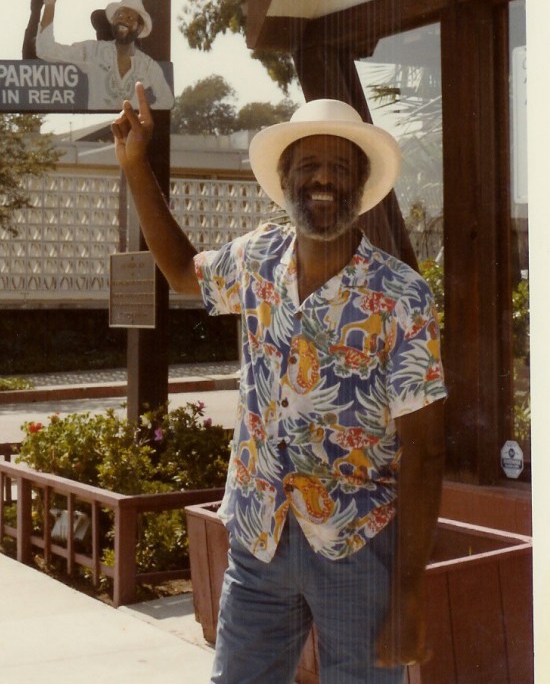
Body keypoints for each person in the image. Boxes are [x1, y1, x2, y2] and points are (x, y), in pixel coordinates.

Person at [112, 85, 447, 684]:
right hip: (259, 538)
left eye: (340, 168)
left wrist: (409, 595)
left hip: (356, 546)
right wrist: (136, 166)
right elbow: (183, 273)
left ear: (362, 186)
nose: (323, 180)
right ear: (287, 178)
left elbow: (424, 450)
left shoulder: (401, 296)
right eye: (309, 165)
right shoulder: (257, 258)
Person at [35, 0, 174, 110]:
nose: (123, 20)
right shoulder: (93, 51)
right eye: (119, 16)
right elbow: (46, 50)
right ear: (112, 21)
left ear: (139, 28)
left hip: (132, 134)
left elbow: (167, 101)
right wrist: (50, 5)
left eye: (130, 17)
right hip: (100, 133)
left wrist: (140, 117)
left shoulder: (148, 65)